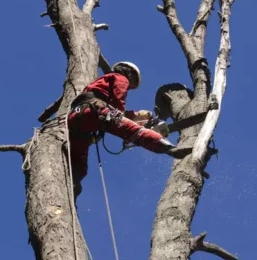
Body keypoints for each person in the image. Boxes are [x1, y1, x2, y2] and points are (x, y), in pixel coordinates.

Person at [66, 61, 187, 197]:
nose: (129, 87)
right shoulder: (120, 78)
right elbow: (118, 102)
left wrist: (134, 116)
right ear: (129, 73)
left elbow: (110, 106)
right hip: (95, 112)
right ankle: (169, 149)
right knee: (136, 132)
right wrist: (127, 130)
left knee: (78, 161)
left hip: (75, 119)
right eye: (132, 82)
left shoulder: (99, 83)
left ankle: (73, 186)